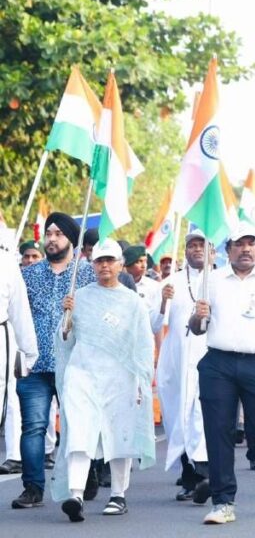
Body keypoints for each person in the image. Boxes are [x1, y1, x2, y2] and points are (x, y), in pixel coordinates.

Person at [190, 223, 255, 524]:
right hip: (218, 363)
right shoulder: (211, 280)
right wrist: (198, 316)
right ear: (228, 250)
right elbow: (197, 328)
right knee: (218, 431)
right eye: (239, 244)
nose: (246, 249)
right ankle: (223, 502)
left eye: (251, 243)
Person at [53, 239, 156, 521]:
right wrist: (67, 319)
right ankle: (76, 494)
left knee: (119, 433)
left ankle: (118, 495)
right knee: (79, 432)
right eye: (100, 261)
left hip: (120, 377)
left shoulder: (133, 302)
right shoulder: (78, 297)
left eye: (110, 260)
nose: (105, 265)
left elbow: (143, 343)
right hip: (82, 375)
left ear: (120, 264)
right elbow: (65, 340)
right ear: (92, 264)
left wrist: (143, 379)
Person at [13, 212, 97, 509]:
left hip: (75, 364)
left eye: (58, 234)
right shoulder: (28, 274)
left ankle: (84, 476)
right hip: (36, 364)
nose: (51, 239)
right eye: (48, 233)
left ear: (71, 239)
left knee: (78, 425)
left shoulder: (87, 274)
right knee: (33, 427)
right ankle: (32, 487)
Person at [156, 231, 213, 504]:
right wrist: (163, 301)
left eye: (202, 245)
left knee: (202, 416)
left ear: (211, 250)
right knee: (178, 417)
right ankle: (189, 478)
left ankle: (205, 476)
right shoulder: (171, 282)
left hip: (208, 359)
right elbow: (155, 324)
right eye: (192, 245)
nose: (197, 249)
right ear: (185, 250)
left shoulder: (220, 281)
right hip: (176, 361)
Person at [0, 250, 40, 476]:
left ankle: (14, 454)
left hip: (2, 339)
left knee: (7, 400)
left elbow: (19, 311)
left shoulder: (5, 262)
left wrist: (29, 352)